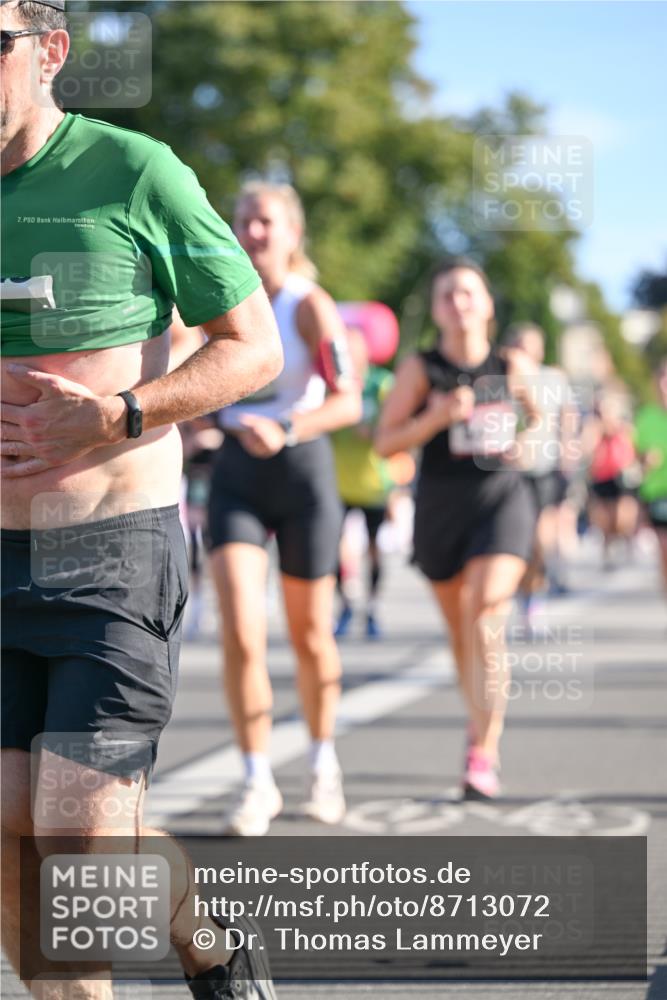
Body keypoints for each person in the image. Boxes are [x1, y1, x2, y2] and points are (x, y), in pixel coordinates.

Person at [0, 3, 283, 998]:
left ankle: (206, 945)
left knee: (77, 826)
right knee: (10, 820)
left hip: (110, 552)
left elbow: (253, 346)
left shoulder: (135, 170)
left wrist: (121, 413)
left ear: (50, 51)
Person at [207, 181, 361, 836]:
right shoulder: (216, 305)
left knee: (309, 637)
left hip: (302, 475)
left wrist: (289, 430)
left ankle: (323, 763)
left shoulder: (310, 306)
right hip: (238, 476)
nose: (252, 232)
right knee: (241, 632)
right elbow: (193, 380)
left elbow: (350, 402)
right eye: (243, 221)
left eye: (265, 221)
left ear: (292, 234)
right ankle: (255, 778)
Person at [375, 257, 538, 800]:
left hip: (502, 500)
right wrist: (436, 417)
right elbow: (385, 442)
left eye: (469, 292)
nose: (459, 302)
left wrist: (528, 442)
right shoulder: (422, 369)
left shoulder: (511, 365)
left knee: (485, 616)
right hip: (442, 508)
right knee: (461, 633)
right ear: (438, 310)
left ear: (488, 304)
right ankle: (478, 716)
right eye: (447, 294)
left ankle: (483, 754)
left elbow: (545, 423)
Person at [504, 323, 580, 627]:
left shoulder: (554, 378)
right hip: (511, 471)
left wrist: (567, 449)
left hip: (544, 467)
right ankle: (517, 593)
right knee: (515, 540)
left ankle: (534, 596)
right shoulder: (503, 376)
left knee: (539, 539)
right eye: (519, 343)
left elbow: (568, 415)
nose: (524, 349)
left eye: (529, 343)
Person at [331, 328, 399, 640]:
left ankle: (372, 606)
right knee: (333, 549)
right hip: (337, 483)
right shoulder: (333, 382)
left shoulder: (381, 384)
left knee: (373, 548)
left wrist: (372, 432)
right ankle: (345, 604)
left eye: (354, 348)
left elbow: (397, 427)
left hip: (374, 482)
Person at [584, 389, 640, 567]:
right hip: (602, 478)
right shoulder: (594, 428)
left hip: (622, 477)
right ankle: (607, 553)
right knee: (604, 519)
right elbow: (587, 449)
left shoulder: (625, 428)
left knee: (623, 517)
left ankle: (628, 542)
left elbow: (635, 448)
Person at [634, 357, 667, 599]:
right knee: (665, 547)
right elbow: (634, 460)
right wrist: (645, 461)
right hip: (658, 492)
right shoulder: (645, 417)